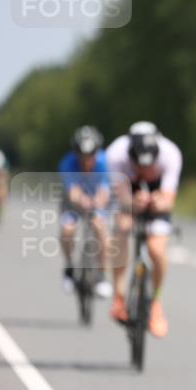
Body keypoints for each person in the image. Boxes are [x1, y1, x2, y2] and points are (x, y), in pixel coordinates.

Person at [105, 121, 182, 338]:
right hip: (127, 190)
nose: (145, 170)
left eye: (149, 166)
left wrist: (158, 202)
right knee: (122, 227)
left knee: (156, 250)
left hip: (157, 192)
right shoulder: (116, 154)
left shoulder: (171, 154)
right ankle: (118, 297)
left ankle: (156, 303)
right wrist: (131, 203)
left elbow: (169, 200)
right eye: (140, 165)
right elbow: (120, 197)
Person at [58, 126, 113, 297]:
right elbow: (72, 192)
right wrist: (82, 200)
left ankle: (102, 276)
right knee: (67, 230)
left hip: (97, 202)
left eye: (90, 156)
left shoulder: (105, 162)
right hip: (74, 204)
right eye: (82, 156)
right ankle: (69, 268)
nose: (86, 160)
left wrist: (97, 202)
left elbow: (105, 191)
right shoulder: (67, 163)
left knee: (99, 228)